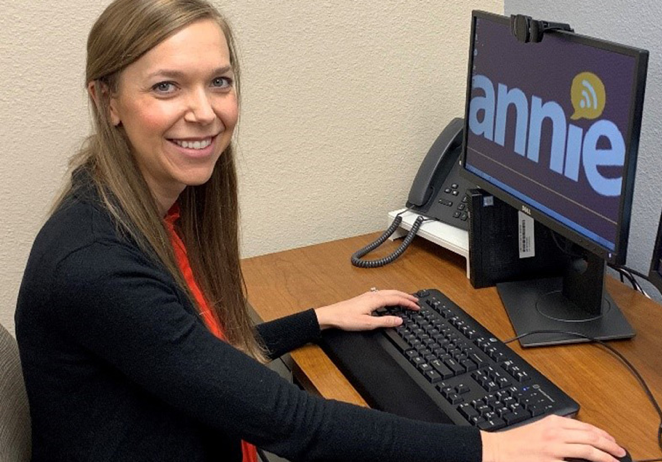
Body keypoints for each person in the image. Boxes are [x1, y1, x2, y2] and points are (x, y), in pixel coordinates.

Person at [14, 1, 629, 461]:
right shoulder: (95, 263)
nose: (204, 110)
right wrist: (490, 448)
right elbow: (291, 422)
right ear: (108, 100)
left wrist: (317, 319)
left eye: (219, 81)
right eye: (166, 86)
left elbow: (185, 349)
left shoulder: (146, 212)